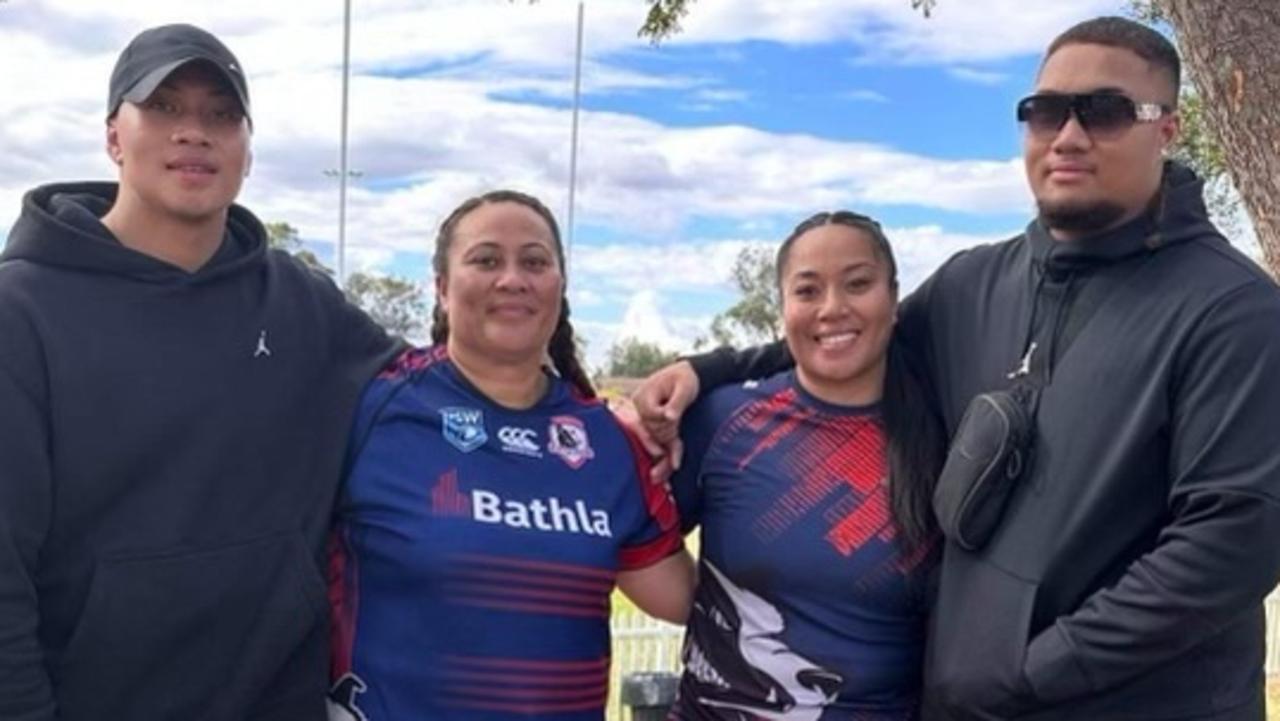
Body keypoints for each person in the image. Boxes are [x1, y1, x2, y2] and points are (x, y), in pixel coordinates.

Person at [634, 16, 1280, 721]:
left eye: (1105, 111)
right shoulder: (976, 283)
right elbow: (851, 334)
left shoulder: (1233, 311)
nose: (1068, 136)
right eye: (1044, 112)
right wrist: (707, 366)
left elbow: (1231, 545)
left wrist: (1027, 674)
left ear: (1168, 128)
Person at [0, 24, 399, 721]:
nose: (194, 132)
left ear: (246, 151)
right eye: (164, 108)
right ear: (113, 137)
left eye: (221, 114)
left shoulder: (304, 303)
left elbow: (448, 388)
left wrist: (628, 408)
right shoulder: (20, 312)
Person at [326, 190, 696, 721]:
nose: (513, 279)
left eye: (535, 261)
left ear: (559, 287)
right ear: (442, 288)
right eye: (486, 260)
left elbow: (688, 602)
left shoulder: (611, 443)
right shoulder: (372, 408)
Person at [665, 210, 946, 721]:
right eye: (808, 291)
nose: (833, 308)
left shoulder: (944, 439)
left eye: (858, 284)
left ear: (894, 297)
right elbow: (633, 549)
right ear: (784, 308)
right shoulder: (720, 420)